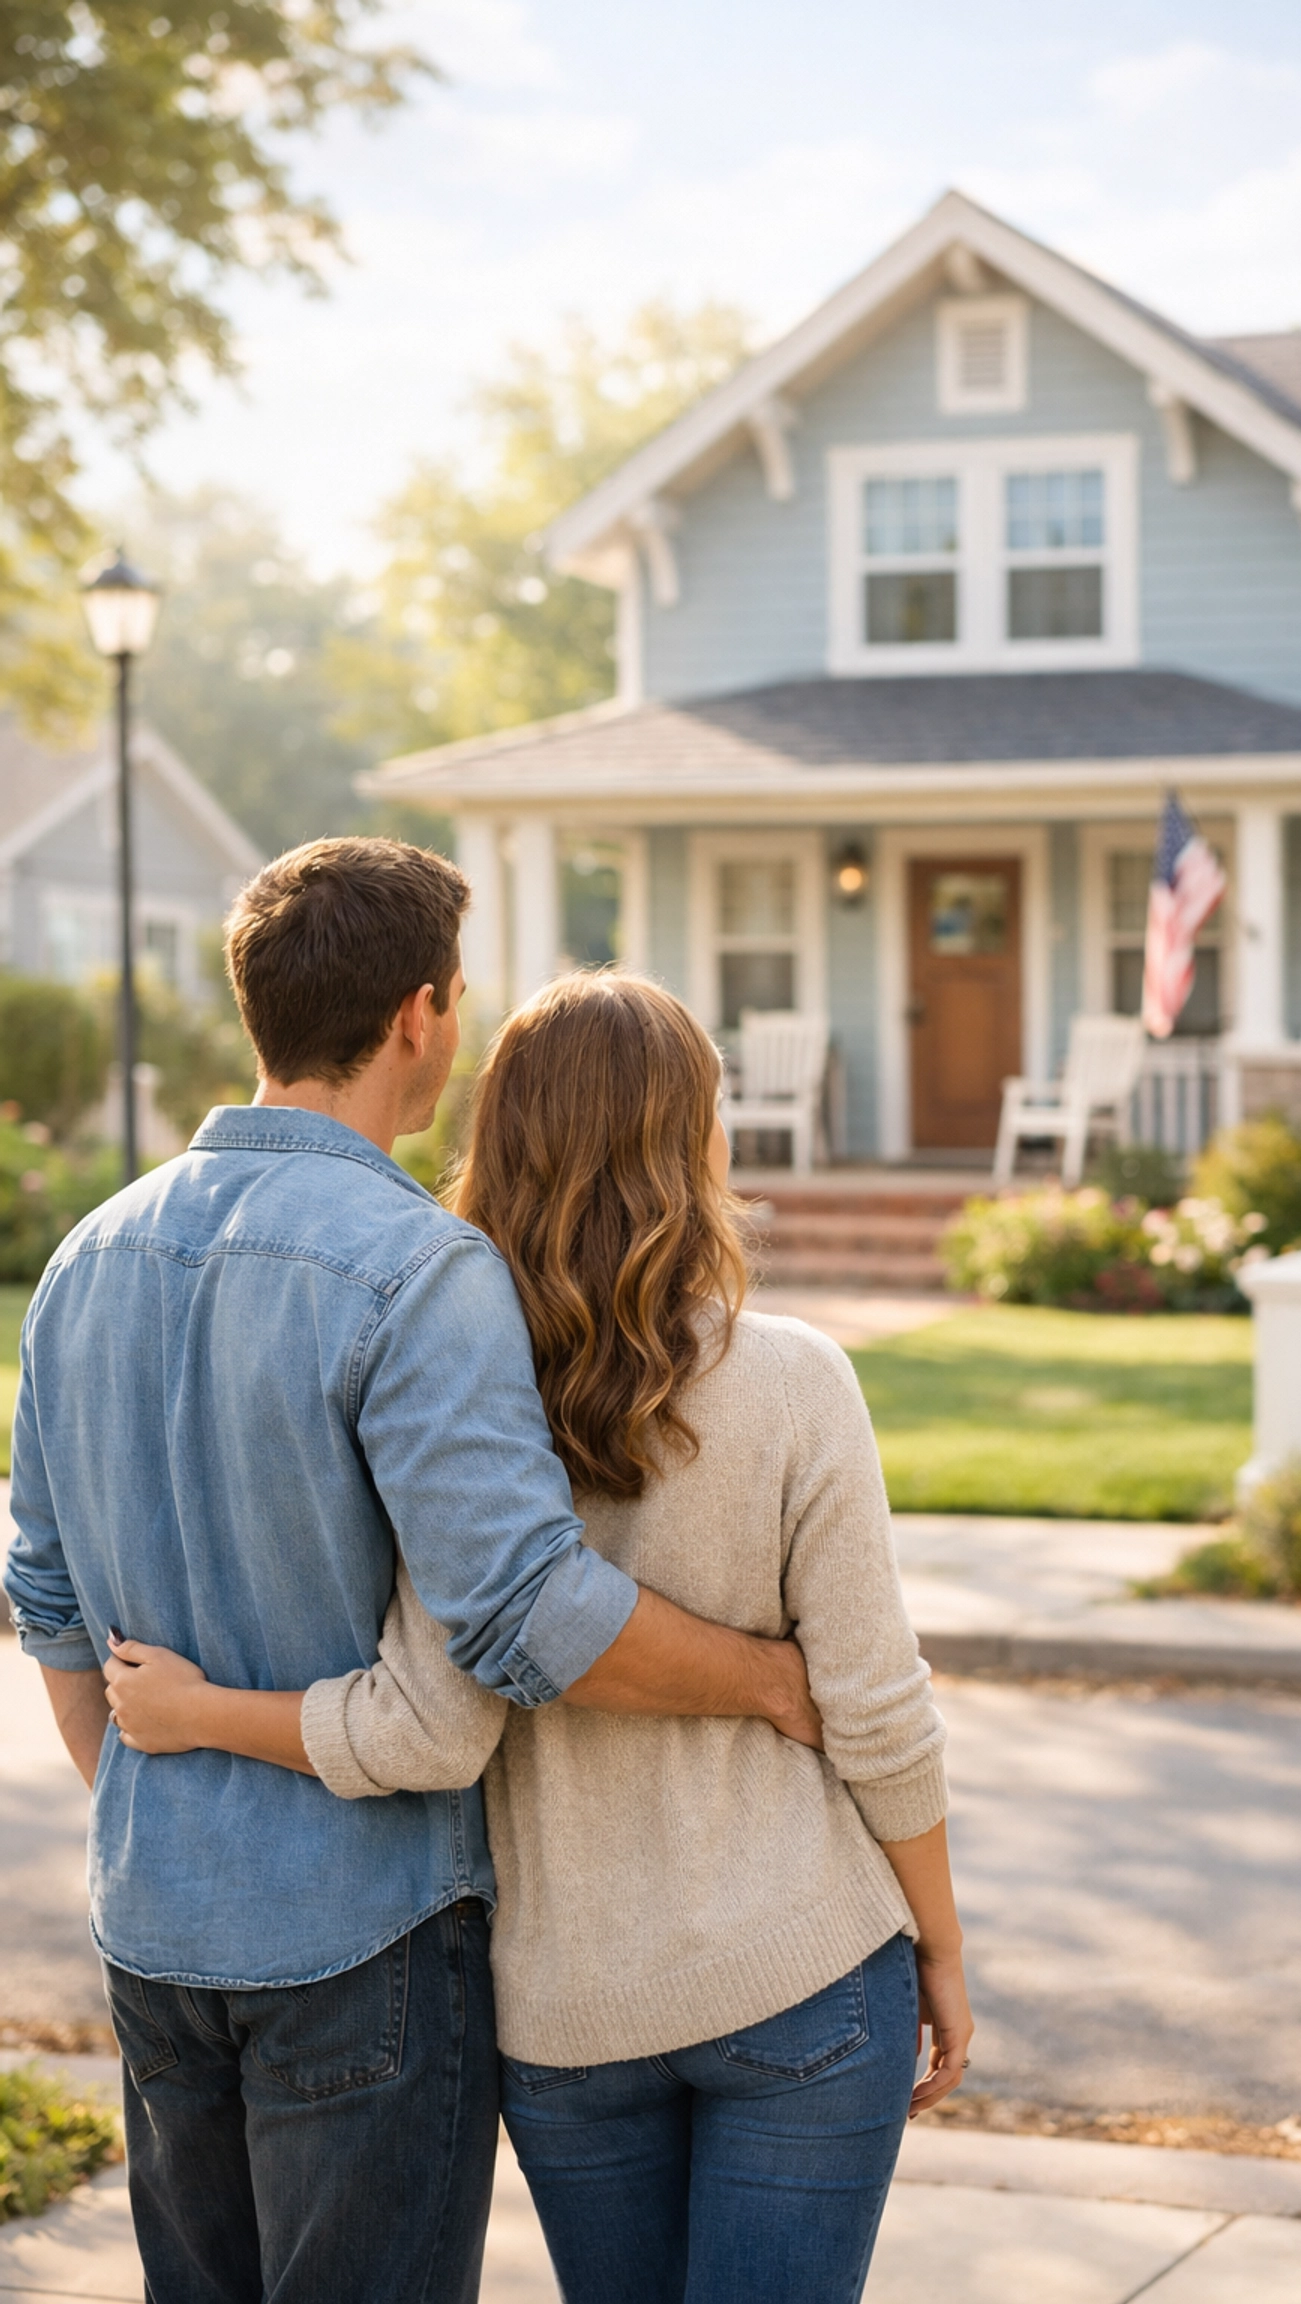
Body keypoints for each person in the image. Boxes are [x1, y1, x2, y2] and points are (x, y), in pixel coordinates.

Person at [3, 843, 823, 2304]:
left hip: (154, 1933)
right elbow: (526, 1614)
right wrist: (772, 1679)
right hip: (360, 1945)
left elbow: (48, 1603)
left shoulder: (84, 1259)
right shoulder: (415, 1270)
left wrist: (166, 1806)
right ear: (423, 1017)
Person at [104, 969, 975, 2304]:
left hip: (567, 2021)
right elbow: (876, 1708)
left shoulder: (435, 1376)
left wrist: (199, 1713)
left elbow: (419, 1723)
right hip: (804, 1974)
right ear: (695, 1141)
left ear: (500, 1135)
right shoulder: (795, 1381)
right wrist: (944, 1948)